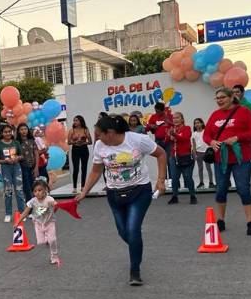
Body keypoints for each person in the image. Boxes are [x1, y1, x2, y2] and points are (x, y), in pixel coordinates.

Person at [76, 115, 167, 286]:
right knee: (123, 232)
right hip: (114, 194)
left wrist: (161, 181)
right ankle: (136, 245)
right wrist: (84, 192)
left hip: (139, 191)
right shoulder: (100, 146)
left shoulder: (138, 140)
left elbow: (161, 154)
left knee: (132, 230)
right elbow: (96, 171)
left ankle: (135, 270)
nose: (97, 138)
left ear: (110, 132)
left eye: (99, 134)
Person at [203, 87, 251, 235]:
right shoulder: (215, 115)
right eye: (217, 98)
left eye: (222, 97)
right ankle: (220, 220)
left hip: (241, 159)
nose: (219, 100)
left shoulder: (244, 112)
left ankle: (250, 222)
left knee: (243, 189)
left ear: (231, 98)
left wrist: (237, 138)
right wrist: (212, 142)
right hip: (220, 159)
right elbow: (206, 135)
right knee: (221, 190)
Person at [15, 179, 61, 266]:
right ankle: (47, 240)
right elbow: (26, 212)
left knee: (53, 240)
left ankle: (54, 256)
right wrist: (18, 221)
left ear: (45, 190)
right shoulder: (32, 201)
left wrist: (55, 206)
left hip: (50, 223)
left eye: (40, 190)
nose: (37, 193)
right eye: (35, 191)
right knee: (40, 242)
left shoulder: (49, 199)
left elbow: (56, 205)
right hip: (38, 223)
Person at [165, 112, 197, 205]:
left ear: (182, 119)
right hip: (174, 157)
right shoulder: (172, 129)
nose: (175, 119)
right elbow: (166, 141)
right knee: (174, 178)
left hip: (185, 156)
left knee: (187, 177)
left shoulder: (187, 128)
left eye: (177, 118)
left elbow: (184, 139)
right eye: (174, 118)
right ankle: (174, 196)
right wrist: (168, 135)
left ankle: (192, 195)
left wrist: (173, 134)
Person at [0, 124, 25, 223]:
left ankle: (22, 213)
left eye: (9, 131)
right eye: (5, 132)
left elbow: (22, 155)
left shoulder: (16, 143)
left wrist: (16, 158)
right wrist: (5, 161)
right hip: (6, 169)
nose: (7, 133)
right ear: (2, 133)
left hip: (16, 168)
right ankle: (8, 214)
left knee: (19, 191)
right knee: (8, 191)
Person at [146, 103, 173, 177]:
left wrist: (169, 122)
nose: (157, 113)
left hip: (168, 141)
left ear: (163, 110)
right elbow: (147, 128)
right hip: (158, 140)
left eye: (158, 111)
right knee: (161, 160)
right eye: (155, 111)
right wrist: (151, 126)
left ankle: (171, 179)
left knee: (169, 161)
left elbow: (175, 125)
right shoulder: (153, 116)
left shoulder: (169, 116)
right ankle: (163, 179)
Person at [16, 123, 39, 203]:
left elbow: (36, 153)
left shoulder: (32, 140)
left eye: (25, 129)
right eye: (21, 129)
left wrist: (36, 168)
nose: (24, 131)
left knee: (34, 186)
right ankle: (29, 207)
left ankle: (34, 204)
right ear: (18, 131)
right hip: (23, 167)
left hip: (32, 167)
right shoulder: (17, 142)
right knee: (27, 188)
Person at [68, 116, 92, 193]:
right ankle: (74, 187)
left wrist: (83, 142)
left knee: (84, 168)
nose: (75, 122)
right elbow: (69, 142)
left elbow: (90, 141)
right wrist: (75, 142)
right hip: (75, 149)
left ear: (81, 121)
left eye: (76, 120)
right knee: (76, 169)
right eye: (74, 120)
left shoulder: (85, 129)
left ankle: (83, 186)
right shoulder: (71, 130)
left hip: (84, 149)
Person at [192, 118, 215, 189]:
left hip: (206, 152)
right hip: (199, 153)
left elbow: (210, 140)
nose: (197, 124)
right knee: (200, 168)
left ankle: (211, 182)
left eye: (198, 122)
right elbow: (194, 145)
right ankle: (201, 182)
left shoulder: (206, 132)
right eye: (195, 123)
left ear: (202, 123)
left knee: (208, 168)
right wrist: (195, 154)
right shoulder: (194, 134)